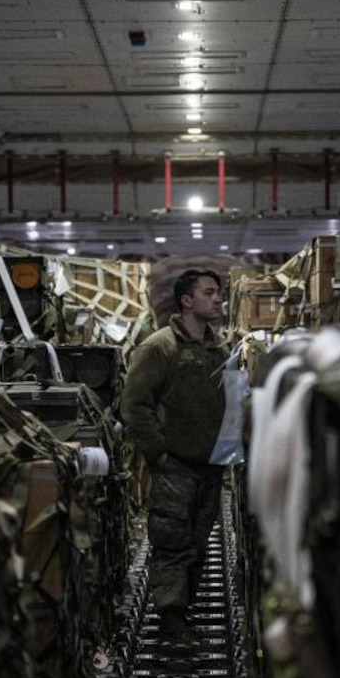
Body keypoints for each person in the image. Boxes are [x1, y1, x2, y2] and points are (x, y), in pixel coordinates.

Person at [120, 268, 228, 639]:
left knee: (197, 546)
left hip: (210, 468)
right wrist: (159, 455)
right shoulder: (159, 347)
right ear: (186, 301)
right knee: (172, 546)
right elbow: (134, 405)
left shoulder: (217, 349)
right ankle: (171, 618)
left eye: (218, 293)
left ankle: (183, 612)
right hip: (176, 467)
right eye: (209, 293)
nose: (217, 299)